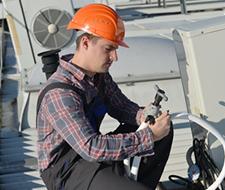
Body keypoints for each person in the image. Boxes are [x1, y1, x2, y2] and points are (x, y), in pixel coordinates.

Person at [36, 3, 173, 190]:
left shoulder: (98, 76)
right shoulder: (60, 93)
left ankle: (135, 184)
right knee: (152, 136)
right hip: (67, 170)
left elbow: (121, 107)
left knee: (164, 130)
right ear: (85, 43)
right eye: (109, 48)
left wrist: (144, 116)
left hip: (89, 155)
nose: (115, 57)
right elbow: (91, 147)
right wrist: (148, 136)